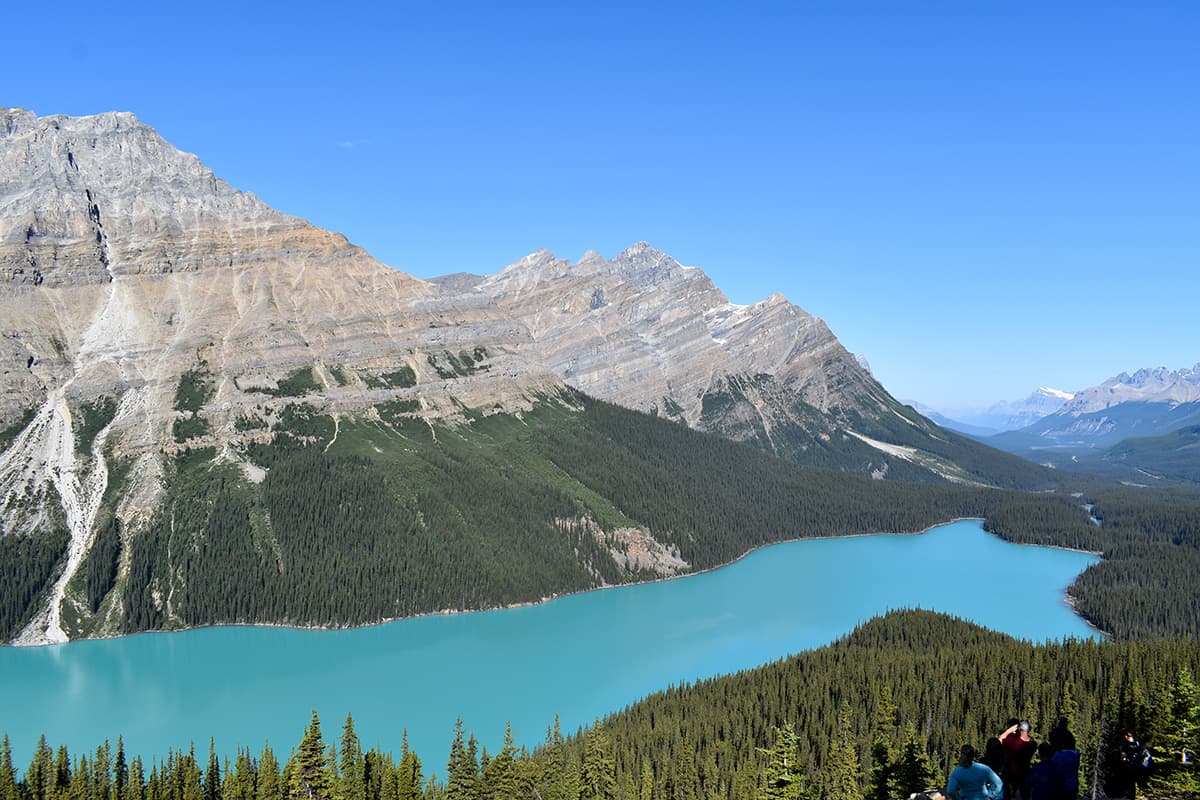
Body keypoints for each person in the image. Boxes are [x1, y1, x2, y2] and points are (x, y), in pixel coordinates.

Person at [1000, 720, 1037, 799]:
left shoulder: (1013, 742)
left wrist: (1009, 731)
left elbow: (999, 740)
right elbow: (1028, 739)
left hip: (1011, 775)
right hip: (1025, 774)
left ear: (1019, 729)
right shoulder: (1033, 744)